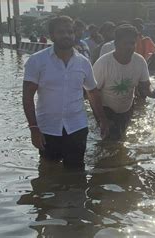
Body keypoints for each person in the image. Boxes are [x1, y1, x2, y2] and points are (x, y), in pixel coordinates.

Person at [22, 16, 109, 169]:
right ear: (52, 36)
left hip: (77, 127)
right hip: (48, 128)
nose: (67, 35)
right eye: (61, 32)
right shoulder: (36, 61)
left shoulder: (83, 62)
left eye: (70, 31)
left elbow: (93, 92)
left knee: (76, 172)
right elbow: (28, 96)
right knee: (49, 171)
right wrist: (34, 129)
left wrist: (102, 119)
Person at [93, 24, 155, 140]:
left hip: (126, 108)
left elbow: (146, 88)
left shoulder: (140, 61)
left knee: (121, 139)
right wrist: (102, 119)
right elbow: (93, 93)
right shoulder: (103, 63)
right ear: (116, 44)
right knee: (109, 141)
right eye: (125, 43)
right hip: (105, 109)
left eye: (132, 43)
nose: (130, 47)